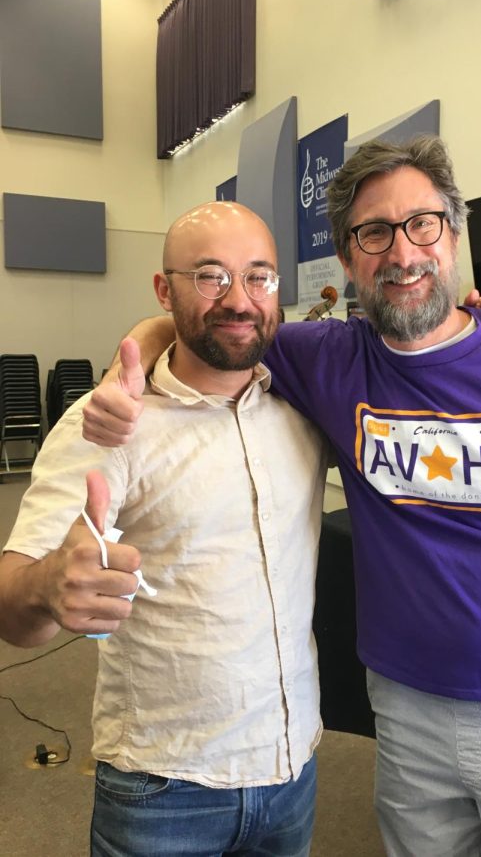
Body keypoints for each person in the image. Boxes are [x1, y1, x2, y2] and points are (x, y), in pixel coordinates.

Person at [79, 134, 481, 856]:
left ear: (452, 233)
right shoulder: (324, 357)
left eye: (421, 223)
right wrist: (126, 368)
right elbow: (209, 322)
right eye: (373, 233)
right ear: (349, 253)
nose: (401, 253)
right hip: (403, 708)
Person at [0, 203, 332, 857]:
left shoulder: (305, 401)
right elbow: (13, 610)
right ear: (164, 289)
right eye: (209, 276)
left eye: (258, 277)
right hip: (165, 786)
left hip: (292, 766)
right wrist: (47, 586)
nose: (238, 299)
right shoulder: (109, 423)